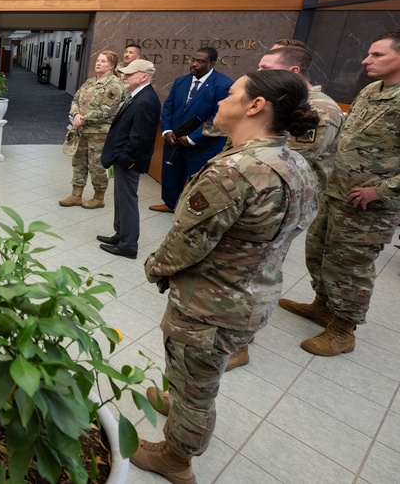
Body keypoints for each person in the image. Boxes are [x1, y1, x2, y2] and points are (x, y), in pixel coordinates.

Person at [134, 70, 319, 484]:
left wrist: (154, 268)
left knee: (196, 387)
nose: (219, 101)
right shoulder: (295, 162)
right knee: (196, 374)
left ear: (256, 106)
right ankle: (175, 403)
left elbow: (186, 243)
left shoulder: (235, 171)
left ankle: (176, 458)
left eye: (231, 94)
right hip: (254, 294)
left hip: (210, 305)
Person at [223, 46, 345, 370]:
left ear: (291, 72)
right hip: (256, 197)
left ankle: (238, 344)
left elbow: (284, 158)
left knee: (255, 271)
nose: (257, 71)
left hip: (277, 204)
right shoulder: (276, 102)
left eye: (265, 66)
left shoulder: (321, 110)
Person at [280, 30, 400, 356]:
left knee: (352, 266)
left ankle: (344, 329)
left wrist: (381, 190)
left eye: (377, 55)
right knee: (319, 254)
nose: (366, 60)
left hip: (370, 205)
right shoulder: (371, 91)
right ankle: (323, 304)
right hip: (337, 193)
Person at [151, 47, 233, 213]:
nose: (194, 64)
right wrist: (166, 130)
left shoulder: (223, 85)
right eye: (193, 60)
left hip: (202, 145)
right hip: (174, 140)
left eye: (200, 61)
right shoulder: (181, 81)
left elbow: (218, 117)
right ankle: (170, 203)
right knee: (171, 174)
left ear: (212, 63)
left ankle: (192, 211)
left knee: (198, 179)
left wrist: (192, 138)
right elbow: (168, 106)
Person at [97, 59, 161, 259]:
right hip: (122, 158)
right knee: (120, 199)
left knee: (127, 201)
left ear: (144, 76)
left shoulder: (146, 100)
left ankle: (128, 246)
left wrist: (125, 160)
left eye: (129, 74)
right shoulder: (137, 95)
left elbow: (140, 138)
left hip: (128, 161)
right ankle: (120, 235)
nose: (124, 77)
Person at [60, 50, 126, 209]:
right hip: (81, 131)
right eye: (98, 60)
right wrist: (75, 114)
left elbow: (106, 110)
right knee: (79, 163)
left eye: (103, 61)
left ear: (111, 66)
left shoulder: (114, 85)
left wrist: (82, 118)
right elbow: (75, 99)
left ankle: (98, 197)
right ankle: (76, 195)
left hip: (99, 134)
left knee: (97, 166)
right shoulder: (89, 82)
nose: (98, 63)